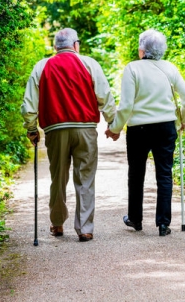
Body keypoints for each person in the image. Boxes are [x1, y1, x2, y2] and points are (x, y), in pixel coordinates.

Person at [21, 28, 116, 242]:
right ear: (76, 45)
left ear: (56, 47)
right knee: (85, 178)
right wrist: (113, 123)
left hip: (56, 130)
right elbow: (105, 96)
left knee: (58, 178)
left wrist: (31, 128)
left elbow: (29, 103)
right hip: (85, 128)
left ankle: (57, 223)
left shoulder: (42, 66)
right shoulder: (90, 63)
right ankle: (84, 228)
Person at [105, 29, 185, 236]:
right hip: (165, 126)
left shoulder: (132, 68)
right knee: (164, 173)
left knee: (136, 174)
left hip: (139, 129)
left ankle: (135, 219)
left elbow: (126, 106)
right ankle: (163, 224)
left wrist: (115, 129)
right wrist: (182, 120)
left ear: (142, 50)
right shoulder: (170, 68)